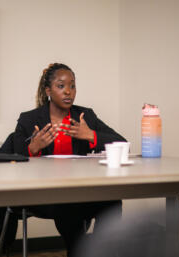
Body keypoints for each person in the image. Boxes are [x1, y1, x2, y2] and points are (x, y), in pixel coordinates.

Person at [13, 63, 127, 256]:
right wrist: (32, 148)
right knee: (68, 204)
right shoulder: (29, 119)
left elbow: (122, 142)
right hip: (42, 194)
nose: (68, 91)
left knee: (113, 201)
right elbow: (13, 159)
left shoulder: (84, 116)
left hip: (79, 190)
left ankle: (101, 250)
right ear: (48, 90)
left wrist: (91, 135)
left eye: (72, 86)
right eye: (61, 86)